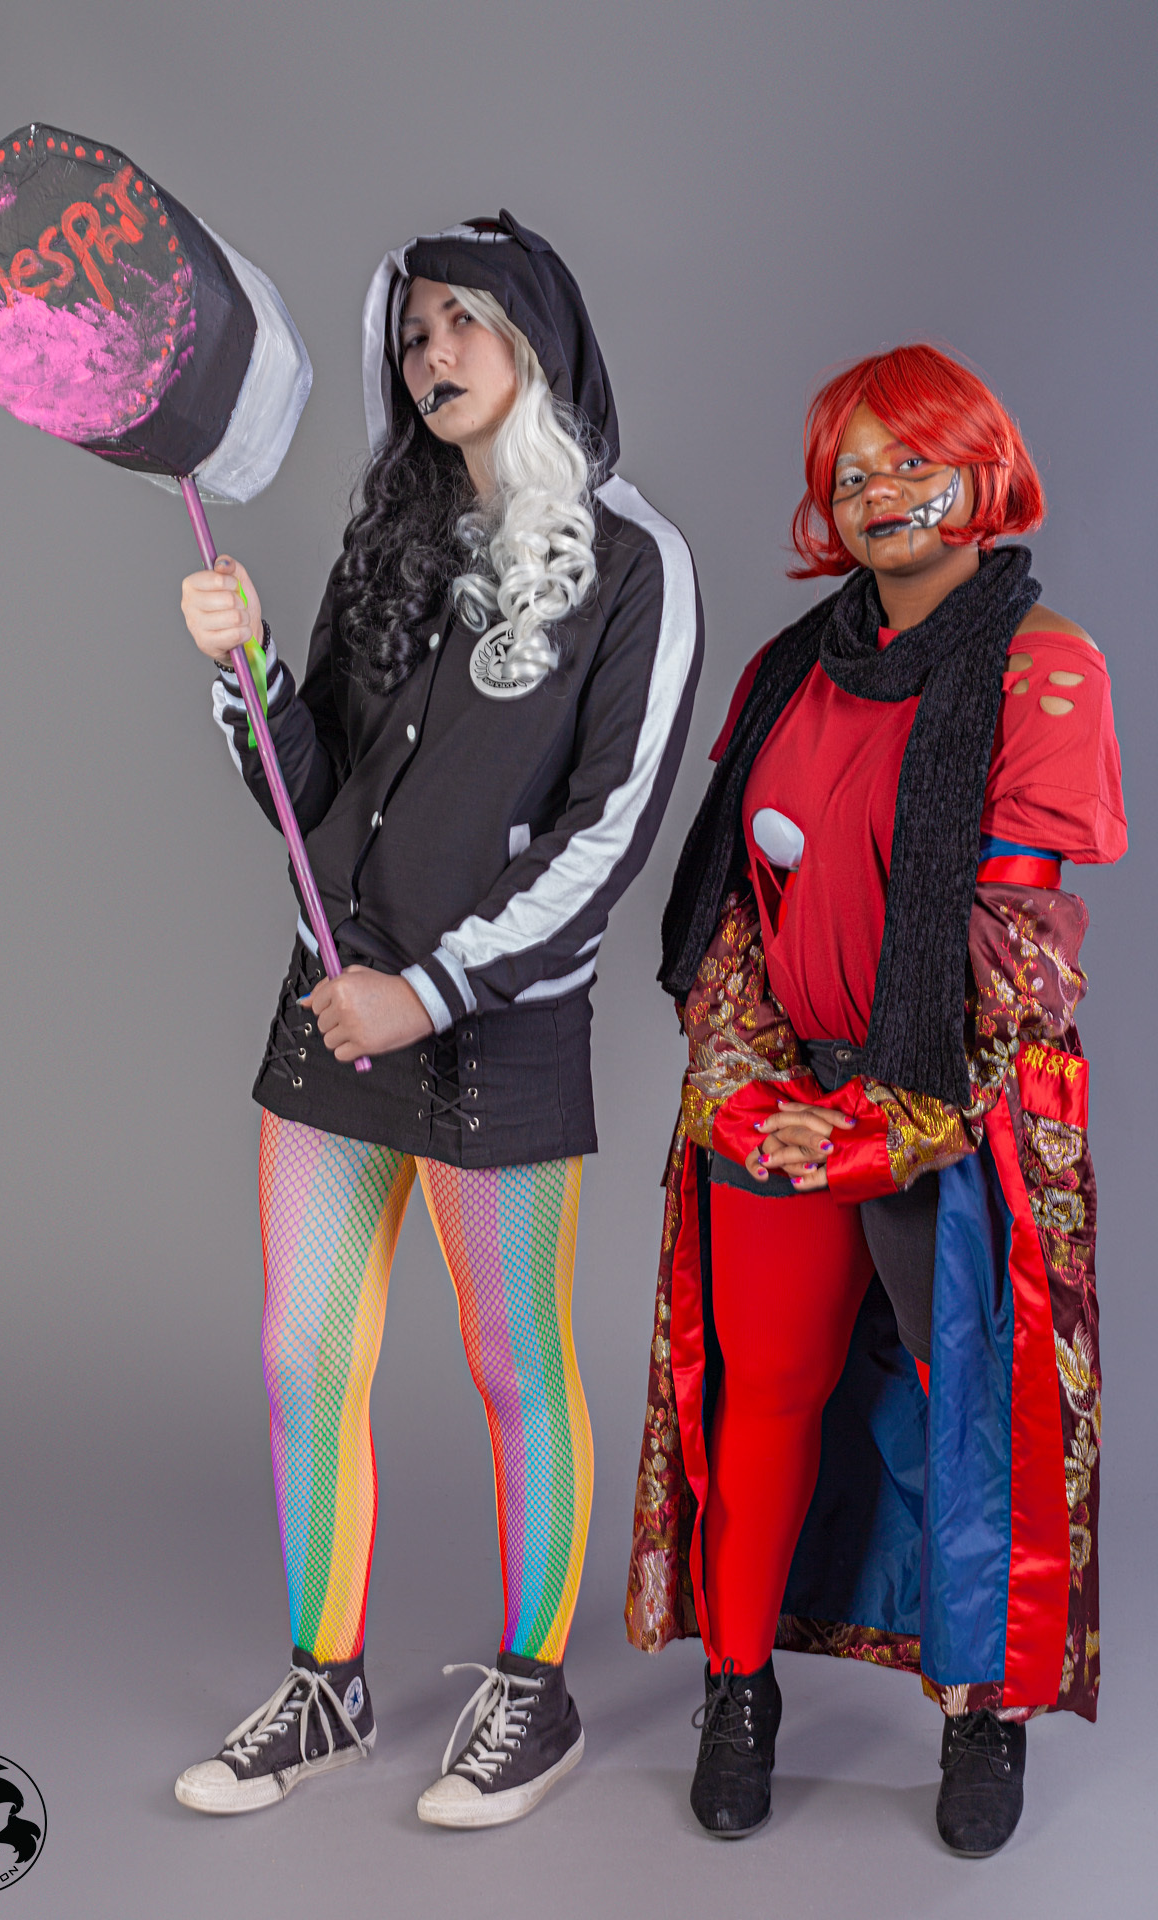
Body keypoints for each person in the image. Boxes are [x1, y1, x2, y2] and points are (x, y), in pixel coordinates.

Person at [173, 211, 702, 1827]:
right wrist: (249, 675)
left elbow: (610, 833)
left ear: (539, 341)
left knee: (513, 1365)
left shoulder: (636, 565)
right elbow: (310, 795)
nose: (433, 354)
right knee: (302, 1356)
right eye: (414, 333)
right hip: (337, 1012)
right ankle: (324, 1688)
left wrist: (433, 990)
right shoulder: (393, 544)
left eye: (467, 321)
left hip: (494, 1031)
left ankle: (533, 1697)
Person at [625, 343, 1125, 1854]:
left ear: (985, 468)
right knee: (762, 1393)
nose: (879, 491)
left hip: (960, 1113)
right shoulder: (791, 667)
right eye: (850, 472)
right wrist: (744, 1088)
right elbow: (735, 901)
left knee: (973, 1412)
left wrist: (884, 1125)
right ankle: (737, 1691)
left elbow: (1018, 947)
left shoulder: (1046, 668)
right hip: (780, 1089)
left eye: (913, 459)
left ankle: (983, 1720)